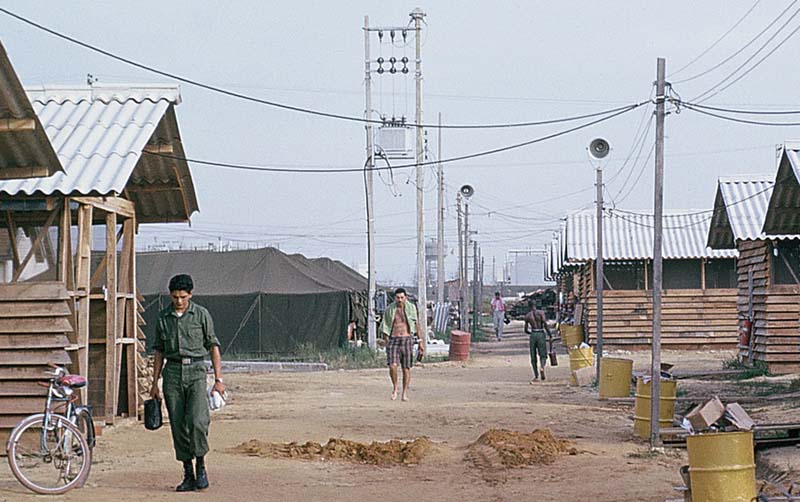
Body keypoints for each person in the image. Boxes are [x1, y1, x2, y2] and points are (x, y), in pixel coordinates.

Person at [150, 274, 225, 492]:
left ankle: (201, 464)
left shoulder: (201, 315)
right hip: (172, 373)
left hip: (196, 371)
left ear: (191, 294)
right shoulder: (163, 318)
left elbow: (213, 346)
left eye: (183, 297)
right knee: (177, 423)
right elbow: (159, 351)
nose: (179, 301)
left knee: (197, 421)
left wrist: (219, 380)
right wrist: (155, 383)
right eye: (175, 297)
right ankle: (188, 472)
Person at [380, 288, 424, 401]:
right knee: (392, 366)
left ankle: (404, 393)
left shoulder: (411, 308)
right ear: (395, 298)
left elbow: (416, 324)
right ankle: (395, 387)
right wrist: (386, 341)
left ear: (405, 298)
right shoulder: (390, 310)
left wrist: (420, 341)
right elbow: (385, 326)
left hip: (407, 339)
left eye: (402, 297)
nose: (400, 300)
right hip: (394, 339)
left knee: (406, 368)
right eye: (398, 297)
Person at [524, 305, 552, 382]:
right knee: (543, 355)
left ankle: (536, 375)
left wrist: (532, 333)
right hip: (540, 333)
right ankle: (542, 367)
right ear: (536, 306)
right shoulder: (541, 313)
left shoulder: (528, 316)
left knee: (533, 356)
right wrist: (550, 335)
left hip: (533, 334)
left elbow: (525, 330)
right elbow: (545, 324)